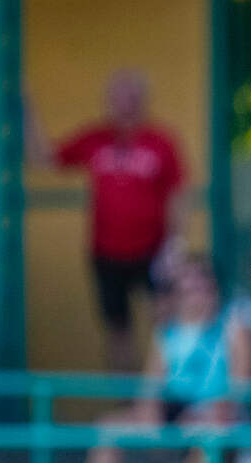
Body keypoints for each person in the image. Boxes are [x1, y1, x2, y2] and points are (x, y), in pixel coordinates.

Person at [30, 70, 186, 370]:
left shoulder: (160, 141)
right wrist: (26, 110)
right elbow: (45, 158)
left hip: (152, 249)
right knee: (117, 330)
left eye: (130, 96)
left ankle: (164, 401)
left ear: (142, 100)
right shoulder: (96, 138)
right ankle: (125, 402)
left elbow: (178, 193)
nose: (123, 104)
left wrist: (174, 243)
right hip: (106, 251)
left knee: (166, 323)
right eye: (116, 97)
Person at [85, 262, 251, 463]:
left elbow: (242, 385)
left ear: (215, 292)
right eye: (188, 290)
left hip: (218, 415)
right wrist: (149, 415)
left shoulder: (233, 328)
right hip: (174, 409)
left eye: (202, 288)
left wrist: (208, 413)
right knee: (108, 429)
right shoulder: (166, 333)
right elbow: (150, 386)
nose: (196, 295)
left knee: (207, 436)